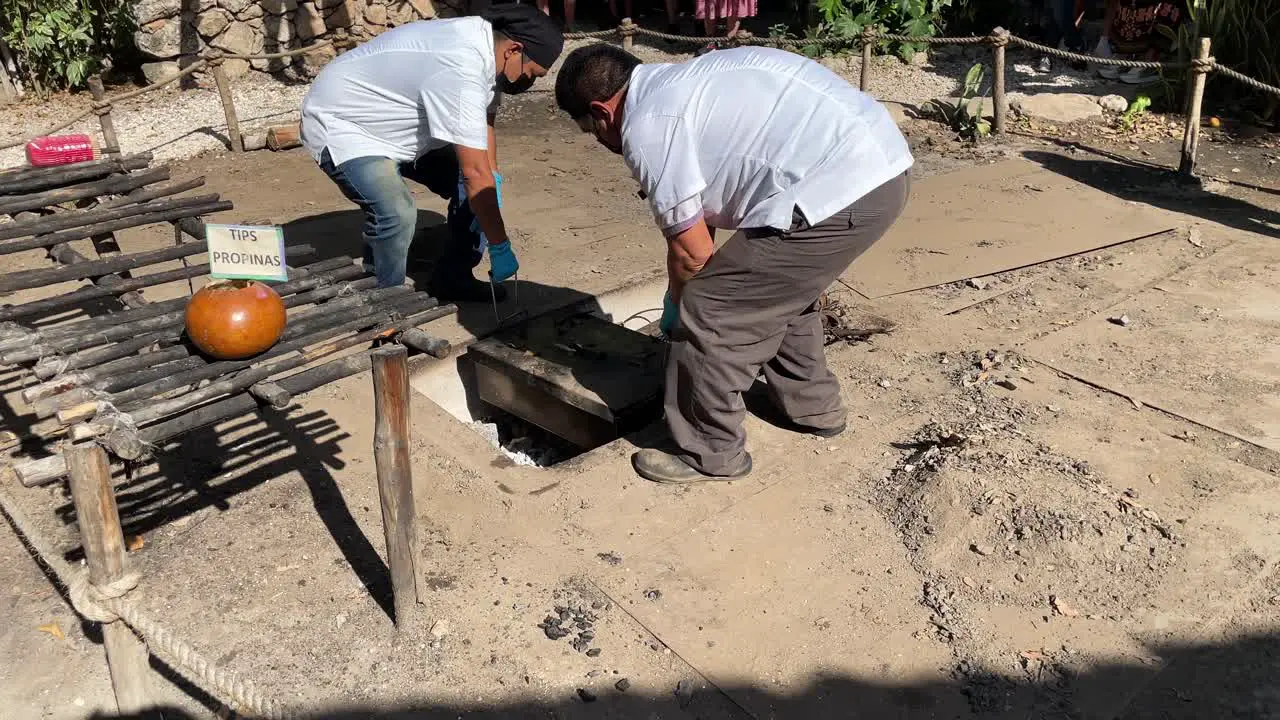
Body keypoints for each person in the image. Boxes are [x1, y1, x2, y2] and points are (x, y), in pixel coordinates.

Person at [554, 44, 913, 484]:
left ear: (601, 112)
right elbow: (702, 220)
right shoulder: (685, 82)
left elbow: (693, 254)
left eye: (592, 131)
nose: (601, 141)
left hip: (841, 189)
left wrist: (681, 314)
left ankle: (708, 452)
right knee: (770, 286)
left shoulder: (648, 126)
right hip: (881, 167)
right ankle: (812, 408)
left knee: (713, 307)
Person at [299, 5, 564, 300]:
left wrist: (494, 176)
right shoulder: (460, 67)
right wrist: (500, 244)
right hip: (346, 123)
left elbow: (484, 119)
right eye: (532, 73)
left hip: (400, 123)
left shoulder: (486, 45)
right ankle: (383, 301)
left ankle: (453, 277)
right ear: (513, 50)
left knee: (477, 186)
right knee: (396, 213)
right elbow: (475, 173)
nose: (532, 81)